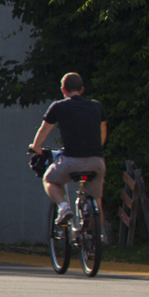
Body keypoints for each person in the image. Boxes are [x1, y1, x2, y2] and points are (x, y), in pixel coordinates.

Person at [30, 71, 108, 223]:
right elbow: (102, 133)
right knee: (97, 200)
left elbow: (43, 130)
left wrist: (36, 147)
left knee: (49, 180)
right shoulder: (96, 106)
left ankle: (64, 207)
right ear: (82, 89)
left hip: (71, 161)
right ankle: (97, 238)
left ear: (63, 90)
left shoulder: (59, 106)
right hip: (96, 161)